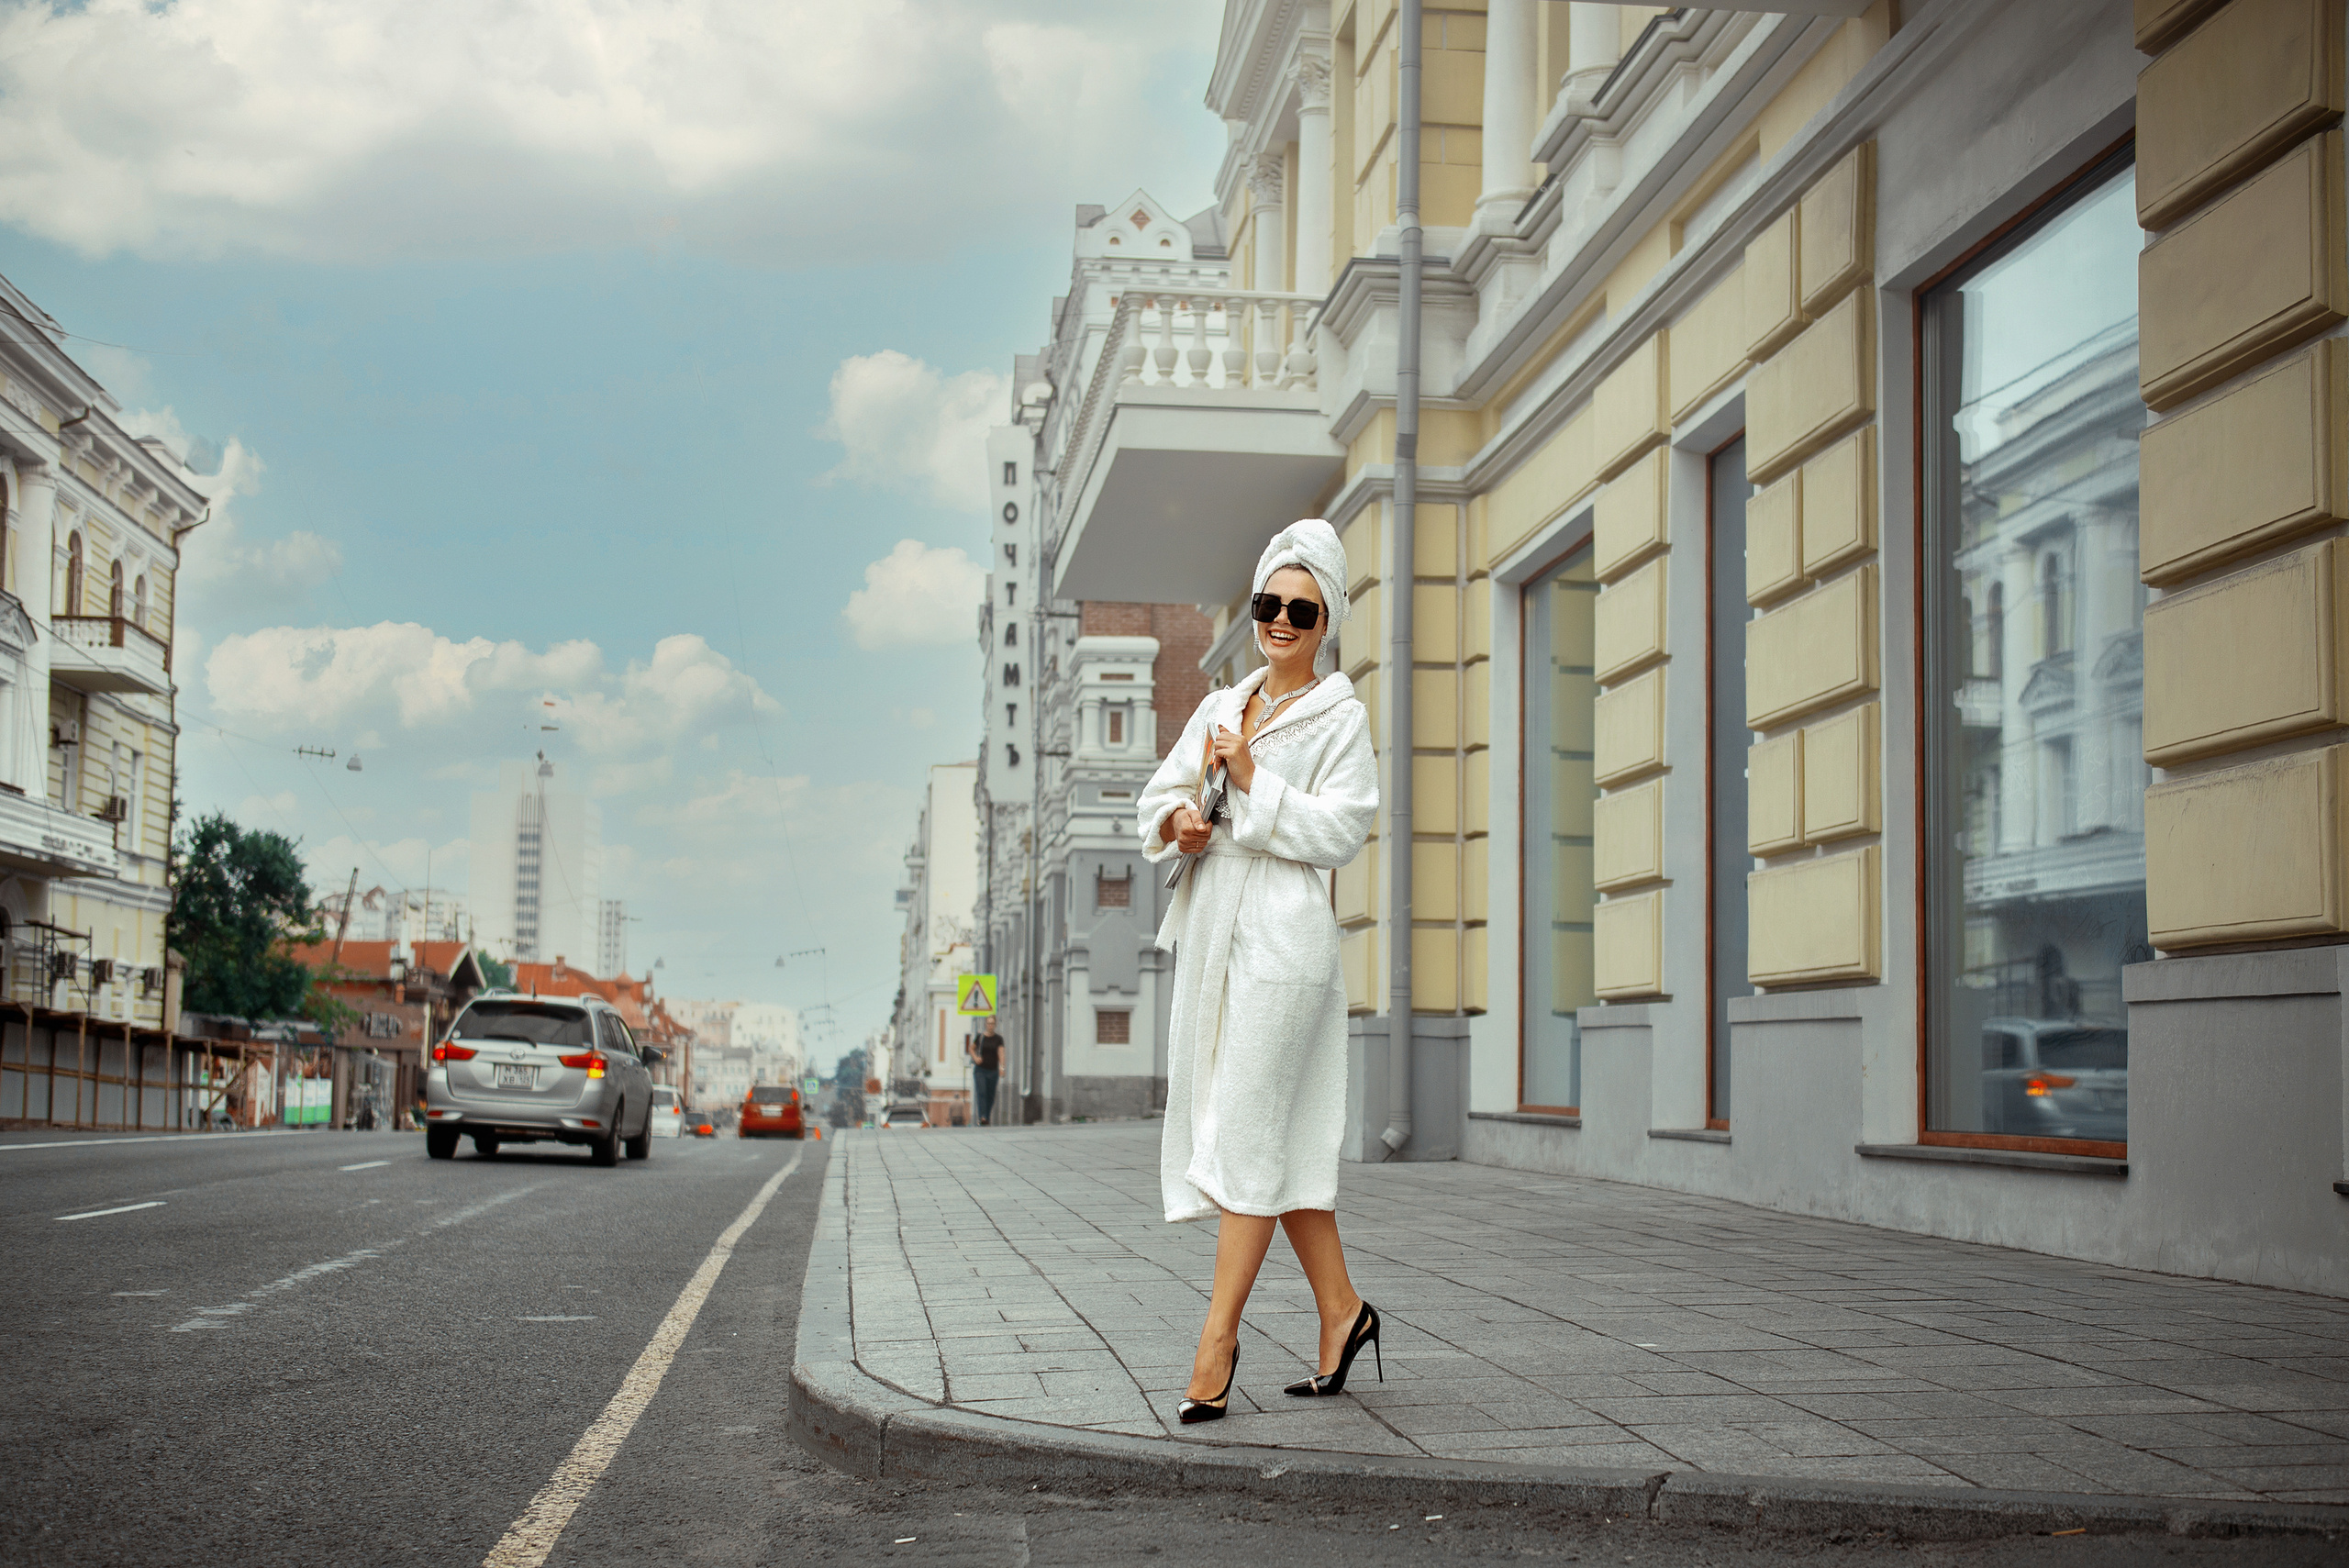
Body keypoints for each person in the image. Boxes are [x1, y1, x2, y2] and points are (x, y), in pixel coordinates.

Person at [1136, 518, 1382, 1425]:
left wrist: (1252, 782)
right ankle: (1342, 1312)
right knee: (1266, 1136)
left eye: (1301, 609)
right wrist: (1180, 825)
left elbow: (1343, 831)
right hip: (1214, 935)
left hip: (1284, 943)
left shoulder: (1340, 717)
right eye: (1269, 603)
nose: (1280, 620)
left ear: (1327, 620)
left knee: (1245, 1131)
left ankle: (1216, 1339)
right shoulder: (1217, 703)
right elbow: (1158, 798)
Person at [968, 1021, 1005, 1126]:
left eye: (992, 1023)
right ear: (985, 1025)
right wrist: (975, 1058)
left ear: (995, 1025)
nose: (990, 1025)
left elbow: (1001, 1053)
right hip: (980, 1070)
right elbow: (971, 1048)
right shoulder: (980, 1037)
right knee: (982, 1092)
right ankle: (982, 1116)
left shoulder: (998, 1039)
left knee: (990, 1095)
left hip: (993, 1071)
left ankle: (986, 1117)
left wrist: (1002, 1067)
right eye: (988, 1023)